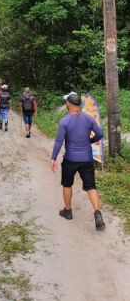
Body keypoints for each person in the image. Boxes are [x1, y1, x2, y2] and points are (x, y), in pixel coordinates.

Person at [50, 92, 105, 231]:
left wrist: (53, 158)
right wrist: (90, 140)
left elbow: (58, 141)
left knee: (67, 184)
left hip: (70, 159)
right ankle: (97, 213)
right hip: (87, 159)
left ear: (68, 104)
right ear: (79, 105)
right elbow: (99, 134)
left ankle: (67, 211)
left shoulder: (64, 121)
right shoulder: (88, 118)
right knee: (91, 186)